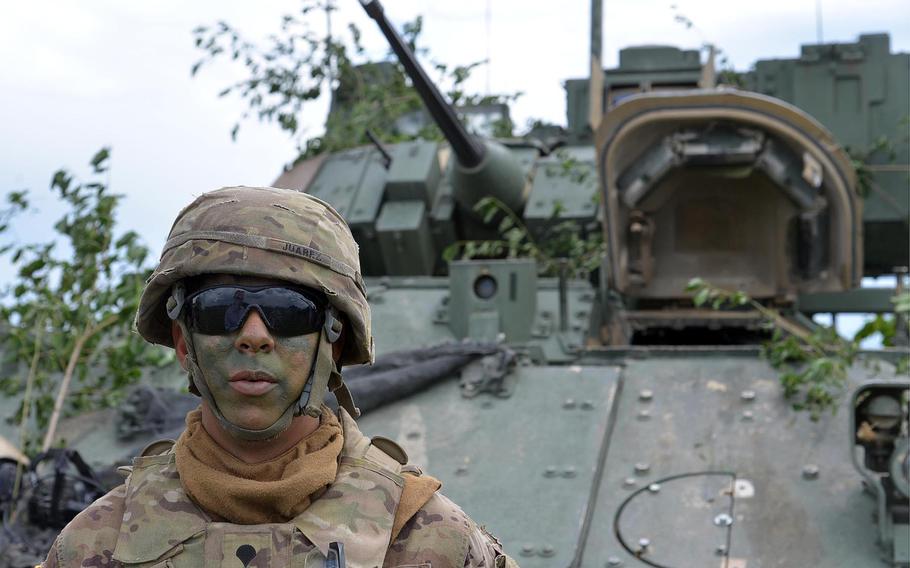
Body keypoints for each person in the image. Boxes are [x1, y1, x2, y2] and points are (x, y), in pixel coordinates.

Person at [42, 186, 518, 568]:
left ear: (333, 341)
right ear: (185, 342)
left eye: (287, 311)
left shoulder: (429, 540)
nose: (253, 336)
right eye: (220, 310)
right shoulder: (94, 544)